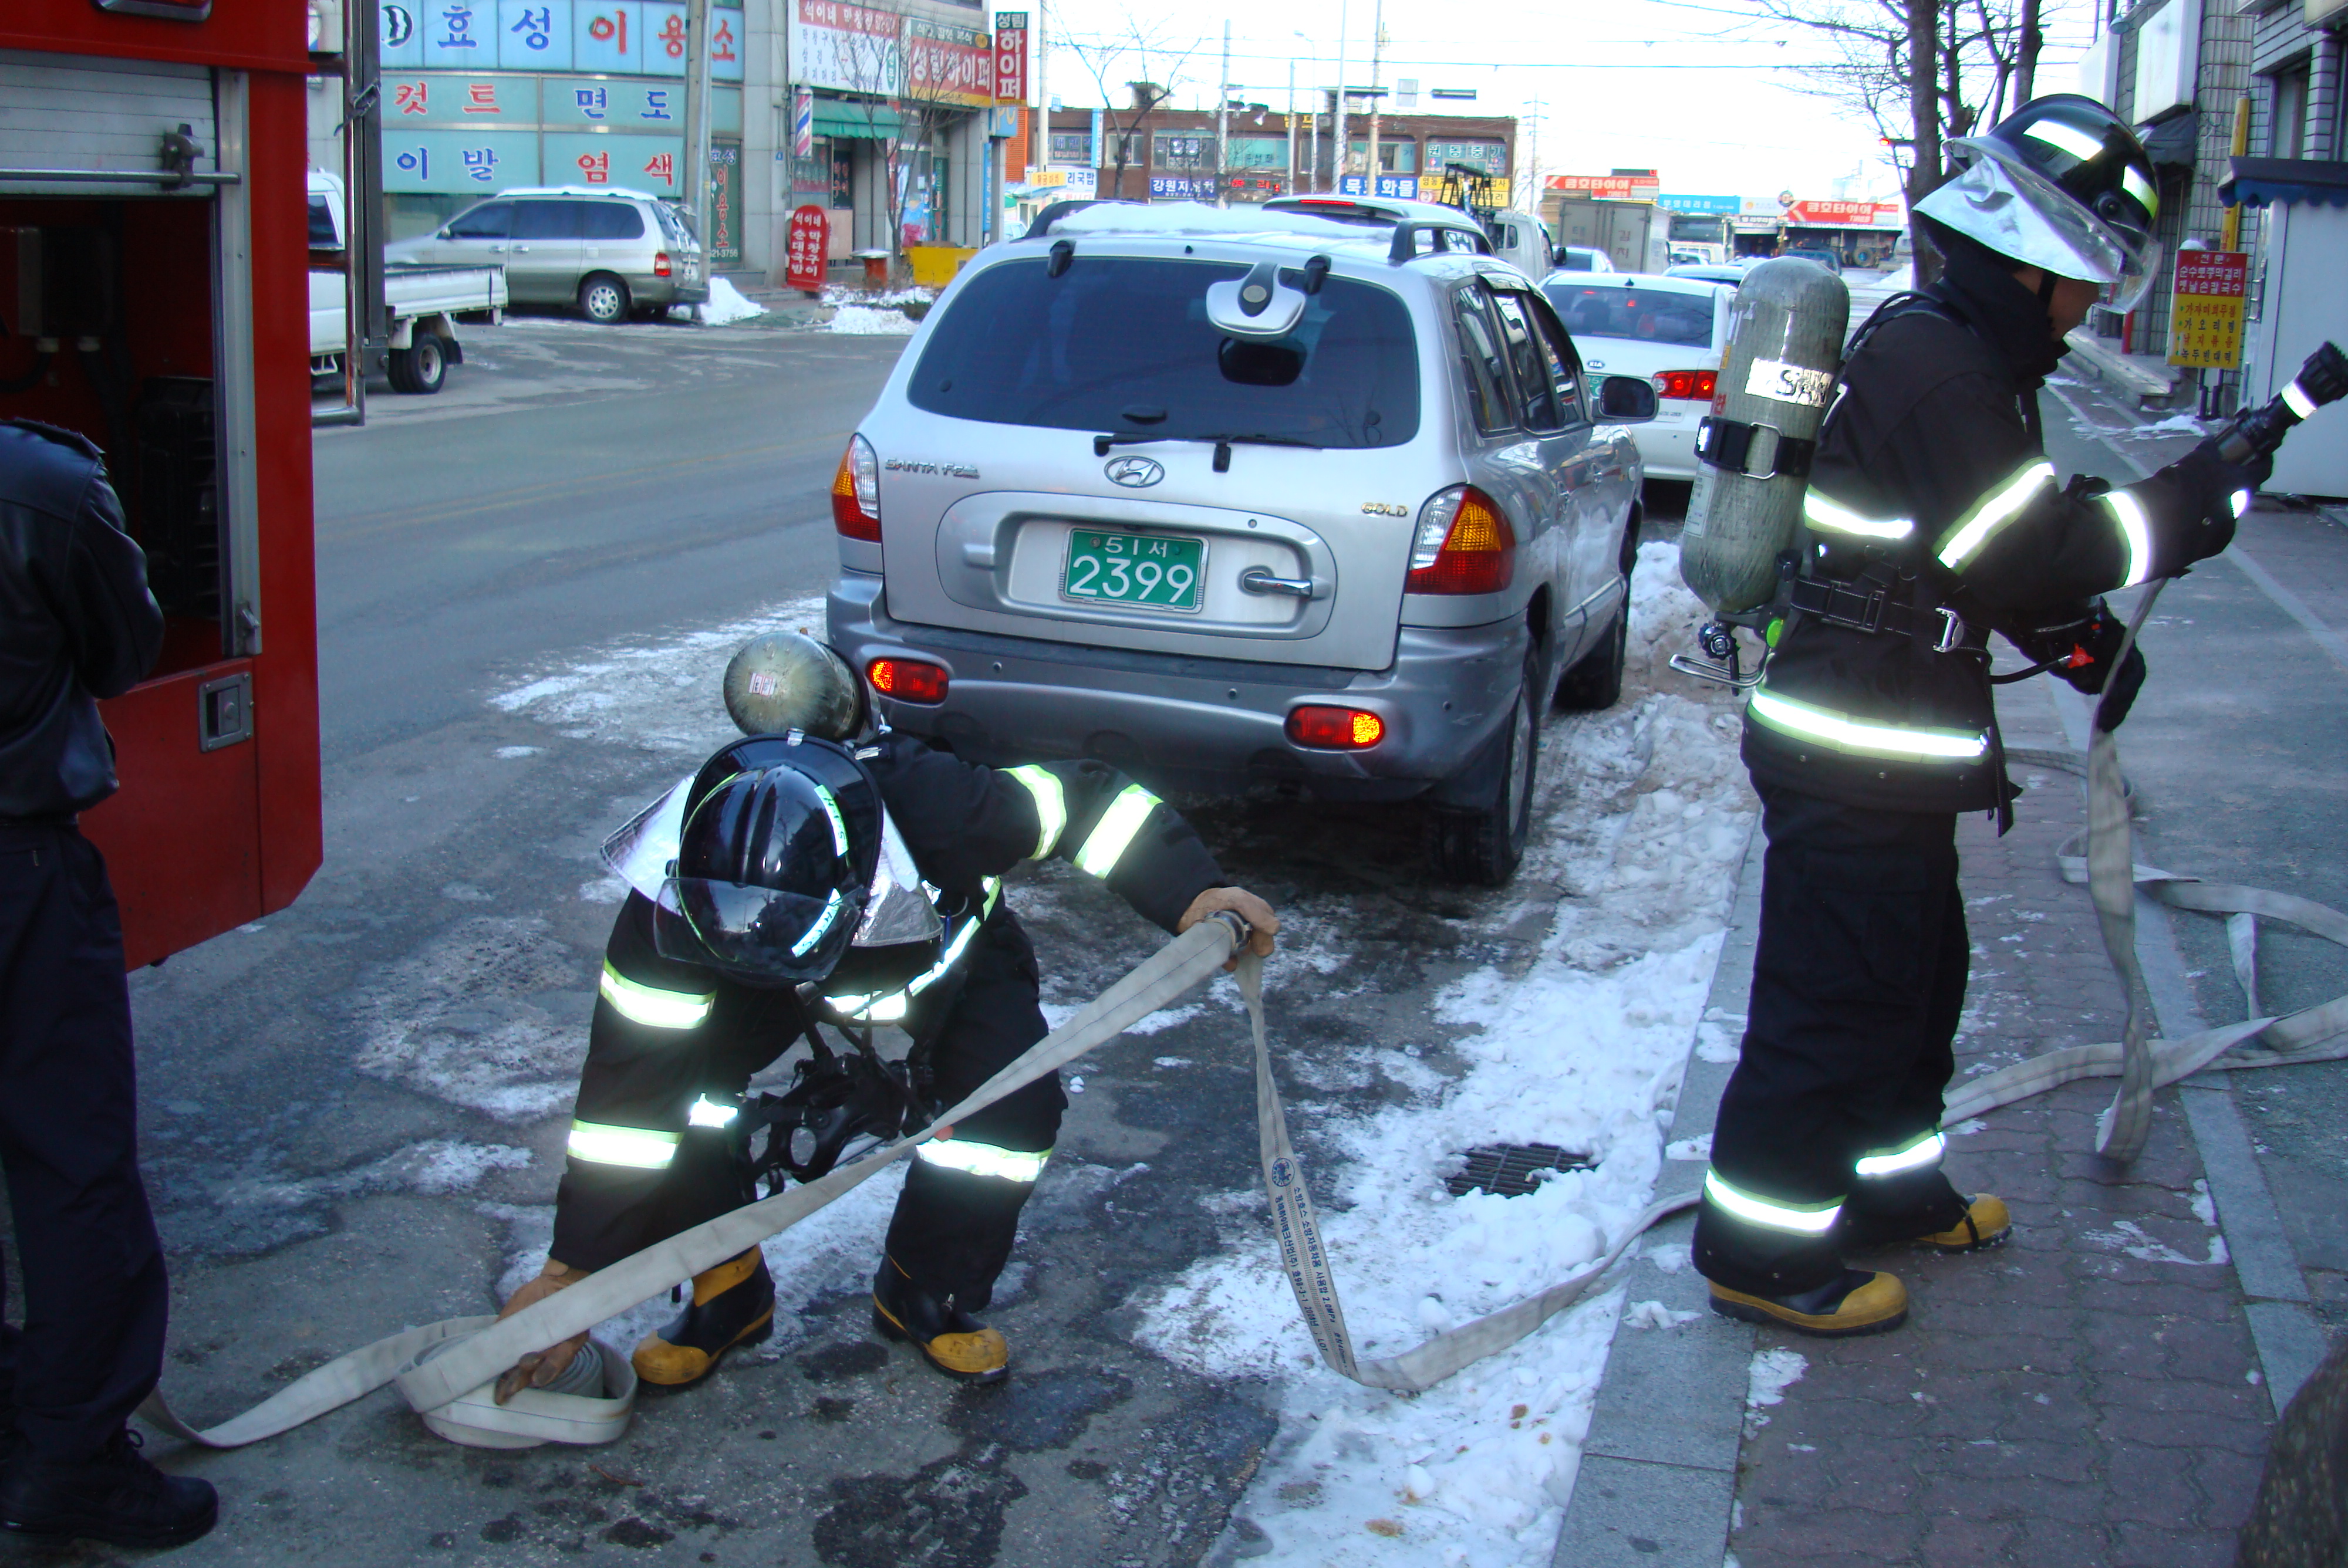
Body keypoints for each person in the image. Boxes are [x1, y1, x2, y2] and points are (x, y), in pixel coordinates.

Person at [1693, 95, 2272, 1336]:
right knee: (1834, 1005)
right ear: (2036, 261)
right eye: (2090, 275)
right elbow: (2031, 547)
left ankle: (1887, 1189)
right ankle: (1759, 1252)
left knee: (1913, 990)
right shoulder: (1940, 367)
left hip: (1890, 742)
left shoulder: (1963, 360)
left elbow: (1962, 556)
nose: (2093, 304)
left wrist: (2078, 645)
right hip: (1850, 747)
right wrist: (2190, 501)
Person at [494, 633, 1277, 1394]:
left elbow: (1087, 804)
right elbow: (627, 1104)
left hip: (945, 966)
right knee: (683, 1107)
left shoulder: (938, 805)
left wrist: (1193, 892)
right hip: (752, 985)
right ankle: (726, 1285)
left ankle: (922, 1286)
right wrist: (571, 1271)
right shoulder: (667, 907)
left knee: (1008, 1118)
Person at [0, 421, 216, 1547]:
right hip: (19, 877)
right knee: (69, 1166)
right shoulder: (42, 486)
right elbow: (124, 653)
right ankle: (73, 1458)